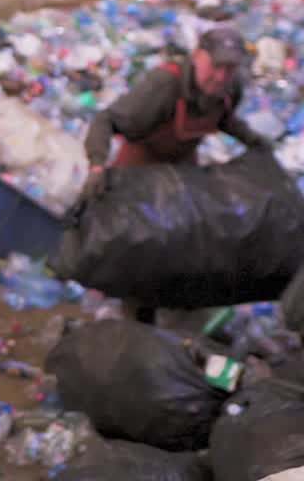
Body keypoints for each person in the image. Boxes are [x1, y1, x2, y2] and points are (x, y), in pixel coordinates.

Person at [81, 26, 271, 323]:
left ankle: (172, 310)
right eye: (216, 66)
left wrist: (257, 144)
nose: (221, 76)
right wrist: (96, 164)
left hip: (181, 171)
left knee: (184, 241)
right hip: (139, 172)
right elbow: (107, 120)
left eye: (229, 69)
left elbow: (226, 120)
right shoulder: (164, 86)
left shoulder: (229, 90)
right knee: (139, 249)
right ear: (197, 57)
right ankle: (134, 321)